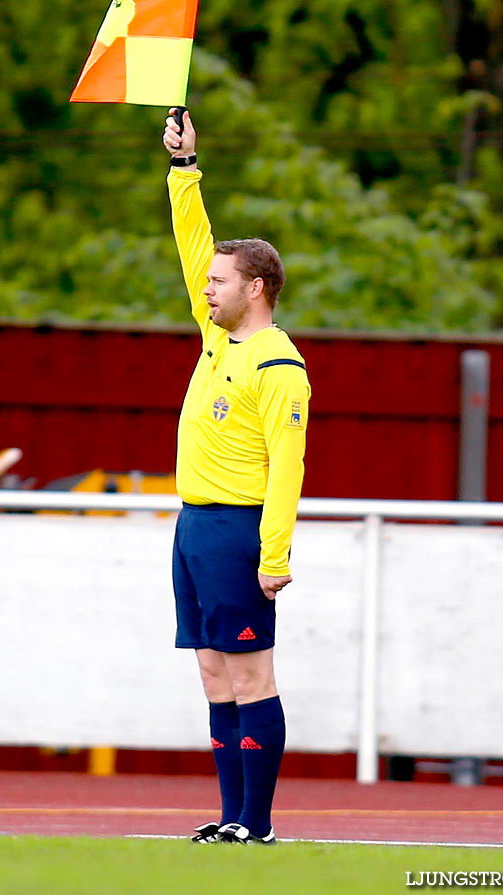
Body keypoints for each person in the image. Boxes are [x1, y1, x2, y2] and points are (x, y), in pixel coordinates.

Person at [162, 109, 311, 846]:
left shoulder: (278, 363)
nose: (207, 289)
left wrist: (274, 553)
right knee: (215, 676)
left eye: (222, 281)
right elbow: (194, 248)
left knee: (253, 678)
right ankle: (230, 816)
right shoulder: (216, 335)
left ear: (256, 288)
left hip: (235, 529)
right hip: (193, 524)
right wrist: (185, 171)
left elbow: (289, 465)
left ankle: (258, 823)